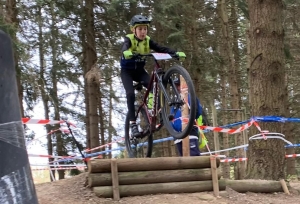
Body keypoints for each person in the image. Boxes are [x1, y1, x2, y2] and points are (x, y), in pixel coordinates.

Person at [120, 14, 186, 138]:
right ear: (133, 30)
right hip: (127, 72)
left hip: (140, 72)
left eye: (145, 29)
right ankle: (133, 124)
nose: (143, 32)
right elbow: (124, 47)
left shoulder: (147, 41)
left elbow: (160, 48)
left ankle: (161, 113)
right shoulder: (129, 39)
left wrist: (175, 53)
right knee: (130, 94)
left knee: (155, 89)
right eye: (140, 29)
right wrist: (126, 52)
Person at [171, 78, 209, 156]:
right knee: (183, 163)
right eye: (176, 85)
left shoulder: (191, 97)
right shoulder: (174, 100)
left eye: (179, 85)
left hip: (190, 133)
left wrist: (190, 122)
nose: (178, 87)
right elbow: (171, 117)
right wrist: (174, 129)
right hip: (178, 137)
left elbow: (198, 112)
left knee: (194, 159)